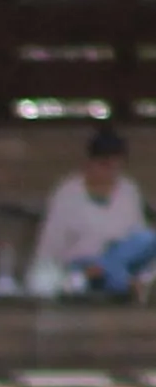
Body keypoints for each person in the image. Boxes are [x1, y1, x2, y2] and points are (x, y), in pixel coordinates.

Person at [30, 126, 154, 301]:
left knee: (147, 239)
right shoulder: (68, 192)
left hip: (122, 262)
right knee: (112, 277)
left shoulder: (129, 190)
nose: (109, 172)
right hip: (81, 265)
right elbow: (52, 240)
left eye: (115, 166)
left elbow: (138, 237)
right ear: (90, 162)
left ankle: (111, 276)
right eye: (104, 165)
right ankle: (121, 282)